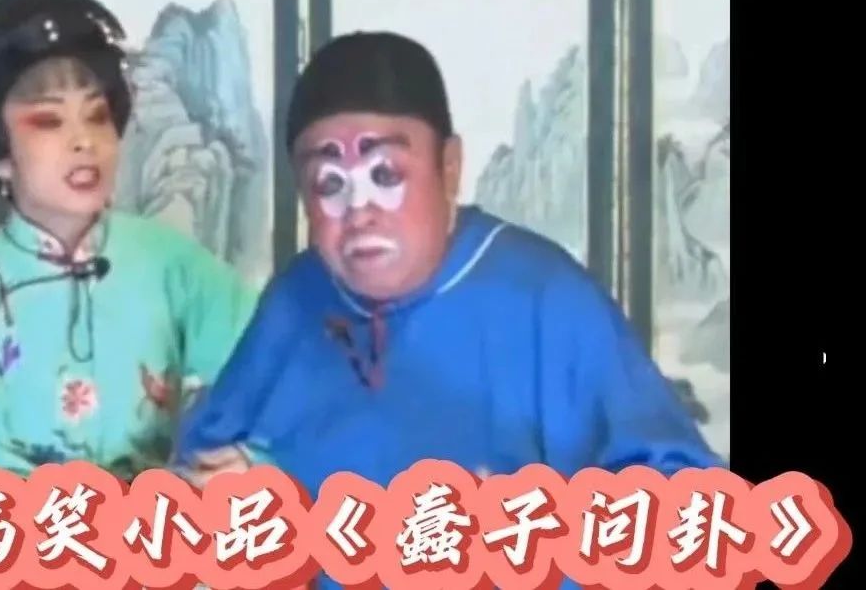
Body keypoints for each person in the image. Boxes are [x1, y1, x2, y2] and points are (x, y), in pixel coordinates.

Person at [174, 31, 722, 502]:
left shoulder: (548, 300)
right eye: (329, 185)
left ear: (450, 167)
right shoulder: (296, 297)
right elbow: (203, 470)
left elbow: (683, 502)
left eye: (385, 175)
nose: (359, 212)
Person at [0, 0, 257, 481]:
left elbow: (271, 378)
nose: (84, 142)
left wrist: (242, 461)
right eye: (48, 121)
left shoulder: (173, 264)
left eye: (97, 116)